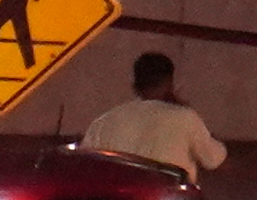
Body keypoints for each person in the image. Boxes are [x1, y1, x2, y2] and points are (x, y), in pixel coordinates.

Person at [83, 51, 227, 182]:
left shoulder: (104, 121)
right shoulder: (185, 117)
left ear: (135, 85)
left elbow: (86, 163)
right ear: (169, 83)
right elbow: (213, 159)